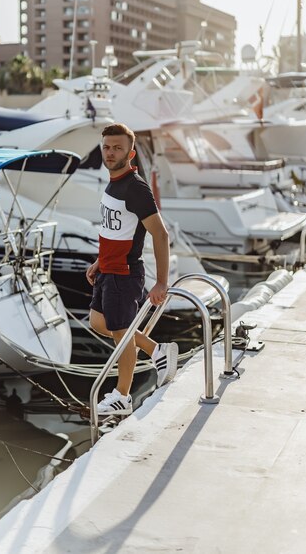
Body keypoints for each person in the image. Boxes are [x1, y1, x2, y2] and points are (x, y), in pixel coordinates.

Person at [86, 123, 178, 417]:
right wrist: (100, 260)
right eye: (107, 147)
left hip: (124, 274)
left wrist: (161, 282)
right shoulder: (113, 182)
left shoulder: (135, 187)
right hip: (108, 270)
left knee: (121, 334)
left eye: (117, 148)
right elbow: (118, 229)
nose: (110, 153)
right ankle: (156, 350)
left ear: (130, 152)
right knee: (99, 323)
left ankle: (122, 396)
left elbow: (160, 234)